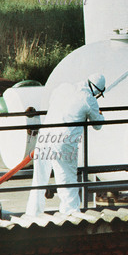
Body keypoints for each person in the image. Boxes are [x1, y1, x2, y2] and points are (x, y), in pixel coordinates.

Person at [25, 73, 106, 216]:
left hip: (45, 137)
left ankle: (33, 213)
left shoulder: (64, 87)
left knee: (39, 178)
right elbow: (98, 125)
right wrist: (99, 114)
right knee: (67, 179)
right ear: (97, 91)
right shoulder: (89, 99)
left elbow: (54, 103)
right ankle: (70, 213)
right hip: (64, 142)